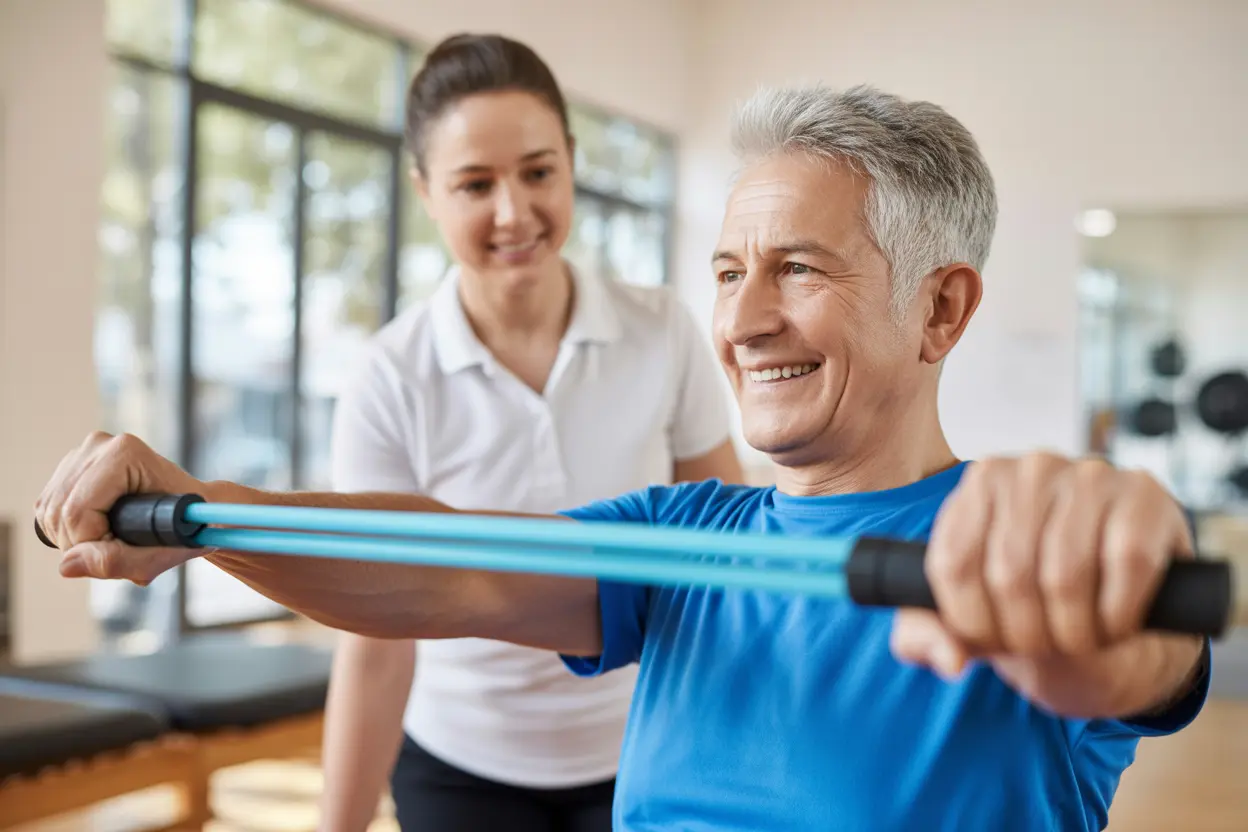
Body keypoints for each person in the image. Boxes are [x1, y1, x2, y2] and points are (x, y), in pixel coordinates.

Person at [38, 82, 1211, 831]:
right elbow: (441, 565)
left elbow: (1134, 653)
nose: (743, 322)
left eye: (798, 268)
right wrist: (205, 512)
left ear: (941, 312)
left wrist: (1116, 585)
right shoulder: (692, 537)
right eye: (726, 273)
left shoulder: (1006, 552)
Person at [319, 34, 743, 832]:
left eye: (538, 172)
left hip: (646, 744)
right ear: (425, 191)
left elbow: (723, 558)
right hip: (460, 764)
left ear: (572, 163)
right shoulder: (390, 376)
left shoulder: (662, 331)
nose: (514, 212)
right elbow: (378, 641)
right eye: (475, 184)